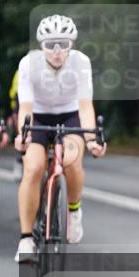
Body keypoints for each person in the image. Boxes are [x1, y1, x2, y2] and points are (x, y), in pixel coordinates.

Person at [13, 14, 107, 263]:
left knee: (72, 161)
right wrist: (24, 135)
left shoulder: (81, 63)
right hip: (39, 117)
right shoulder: (28, 64)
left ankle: (73, 212)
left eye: (63, 44)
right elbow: (26, 108)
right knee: (32, 168)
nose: (57, 51)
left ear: (71, 45)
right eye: (50, 44)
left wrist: (90, 141)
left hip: (70, 116)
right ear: (41, 45)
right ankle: (26, 238)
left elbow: (85, 107)